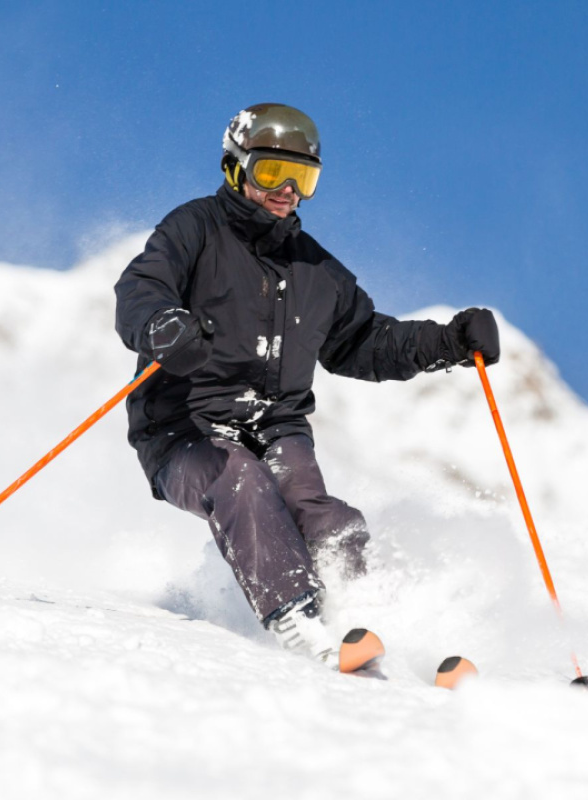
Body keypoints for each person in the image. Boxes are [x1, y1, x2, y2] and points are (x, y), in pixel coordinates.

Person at [114, 103, 499, 667]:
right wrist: (162, 326)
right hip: (184, 428)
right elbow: (142, 286)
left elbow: (364, 340)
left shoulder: (316, 271)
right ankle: (297, 614)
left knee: (318, 513)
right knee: (241, 481)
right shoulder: (193, 230)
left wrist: (448, 341)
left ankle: (373, 618)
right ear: (235, 168)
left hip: (276, 426)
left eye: (304, 178)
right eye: (272, 172)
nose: (287, 190)